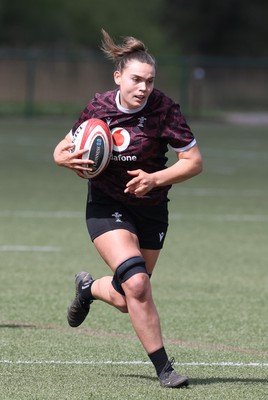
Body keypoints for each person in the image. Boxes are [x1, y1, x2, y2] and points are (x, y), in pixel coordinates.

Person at [53, 29, 203, 389]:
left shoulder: (164, 110)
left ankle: (88, 291)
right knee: (137, 284)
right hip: (107, 206)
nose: (143, 87)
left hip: (151, 209)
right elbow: (63, 147)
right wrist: (64, 159)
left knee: (125, 297)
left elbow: (193, 162)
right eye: (136, 79)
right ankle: (165, 369)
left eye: (149, 81)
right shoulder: (99, 107)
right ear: (118, 77)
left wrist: (156, 179)